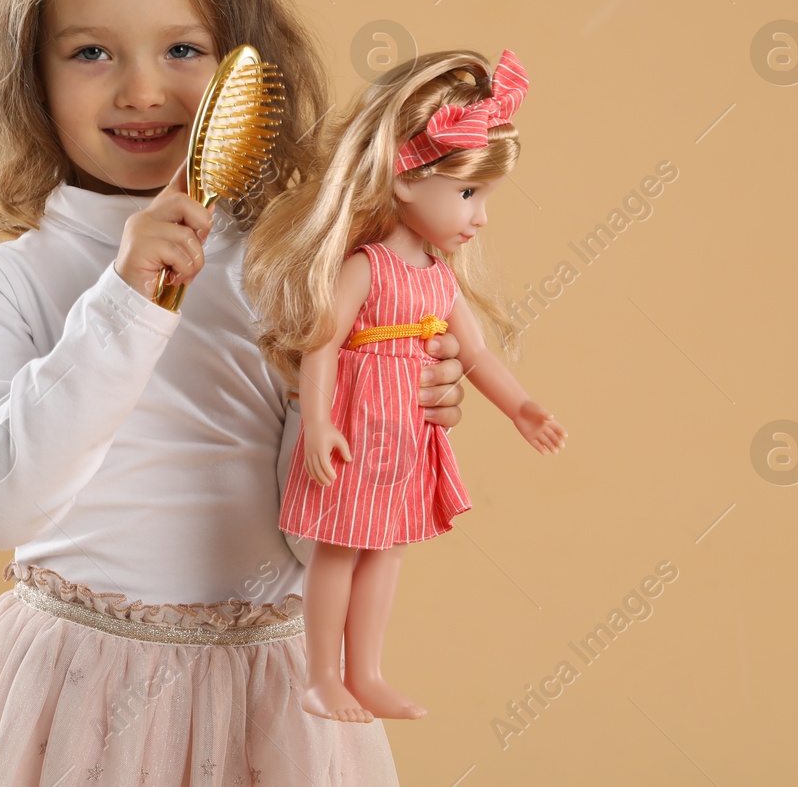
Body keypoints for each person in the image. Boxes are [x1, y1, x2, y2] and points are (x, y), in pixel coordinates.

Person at [0, 0, 472, 785]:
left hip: (268, 704)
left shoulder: (293, 270)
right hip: (66, 699)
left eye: (184, 49)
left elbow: (310, 537)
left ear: (247, 69)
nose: (143, 91)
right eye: (91, 51)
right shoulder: (3, 280)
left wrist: (384, 396)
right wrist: (129, 297)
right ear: (28, 72)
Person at [242, 48, 567, 724]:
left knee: (386, 551)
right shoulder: (366, 266)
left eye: (484, 196)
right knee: (338, 550)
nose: (480, 217)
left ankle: (366, 671)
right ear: (409, 177)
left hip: (404, 440)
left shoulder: (438, 278)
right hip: (358, 430)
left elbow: (475, 355)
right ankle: (321, 676)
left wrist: (522, 407)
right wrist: (323, 422)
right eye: (469, 193)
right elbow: (322, 342)